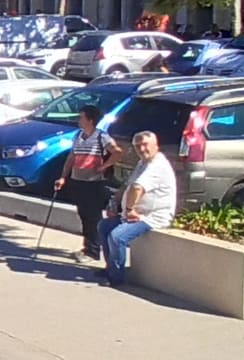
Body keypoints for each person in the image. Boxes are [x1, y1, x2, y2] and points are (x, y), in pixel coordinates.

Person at [98, 130, 176, 287]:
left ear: (156, 145)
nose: (141, 149)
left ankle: (116, 278)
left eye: (145, 145)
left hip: (151, 217)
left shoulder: (157, 165)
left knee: (117, 236)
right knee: (104, 226)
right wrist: (114, 203)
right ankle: (110, 268)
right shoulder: (143, 163)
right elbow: (127, 185)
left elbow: (137, 187)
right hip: (136, 214)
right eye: (137, 146)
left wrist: (129, 209)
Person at [52, 106, 117, 263]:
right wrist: (63, 177)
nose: (78, 120)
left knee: (92, 216)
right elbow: (71, 157)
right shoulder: (78, 136)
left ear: (90, 120)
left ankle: (93, 251)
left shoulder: (102, 136)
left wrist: (104, 166)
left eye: (81, 117)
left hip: (93, 182)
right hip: (78, 180)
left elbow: (117, 152)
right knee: (83, 215)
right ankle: (87, 247)